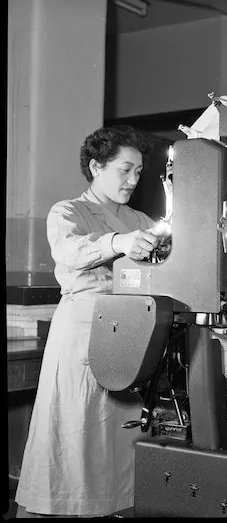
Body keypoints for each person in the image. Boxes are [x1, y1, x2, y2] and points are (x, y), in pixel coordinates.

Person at [15, 125, 161, 518]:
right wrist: (118, 243)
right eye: (125, 170)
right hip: (82, 337)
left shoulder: (140, 219)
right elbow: (69, 249)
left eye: (138, 172)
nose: (133, 180)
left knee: (121, 448)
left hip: (132, 337)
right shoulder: (68, 212)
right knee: (75, 443)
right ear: (97, 166)